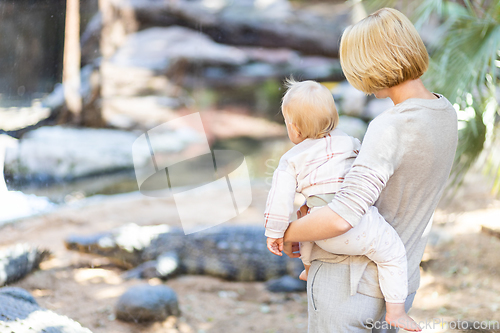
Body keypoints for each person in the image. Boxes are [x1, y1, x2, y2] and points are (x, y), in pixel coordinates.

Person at [281, 8, 458, 333]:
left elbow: (340, 217)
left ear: (373, 64)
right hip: (400, 283)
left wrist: (284, 233)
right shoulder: (444, 112)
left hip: (349, 285)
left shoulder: (389, 126)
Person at [264, 78, 421, 332]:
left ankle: (307, 269)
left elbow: (278, 202)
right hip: (358, 226)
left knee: (306, 216)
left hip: (322, 234)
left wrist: (274, 233)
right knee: (393, 253)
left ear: (294, 129)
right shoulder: (350, 142)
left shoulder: (290, 159)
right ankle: (396, 311)